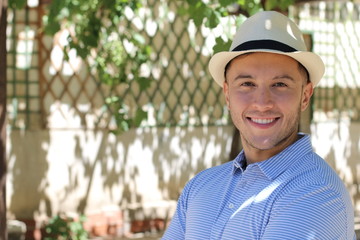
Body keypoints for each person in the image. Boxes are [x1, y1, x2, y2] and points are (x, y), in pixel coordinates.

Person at [162, 11, 356, 240]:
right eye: (247, 84)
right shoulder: (201, 187)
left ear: (305, 96)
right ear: (227, 94)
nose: (262, 103)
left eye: (280, 84)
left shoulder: (317, 194)